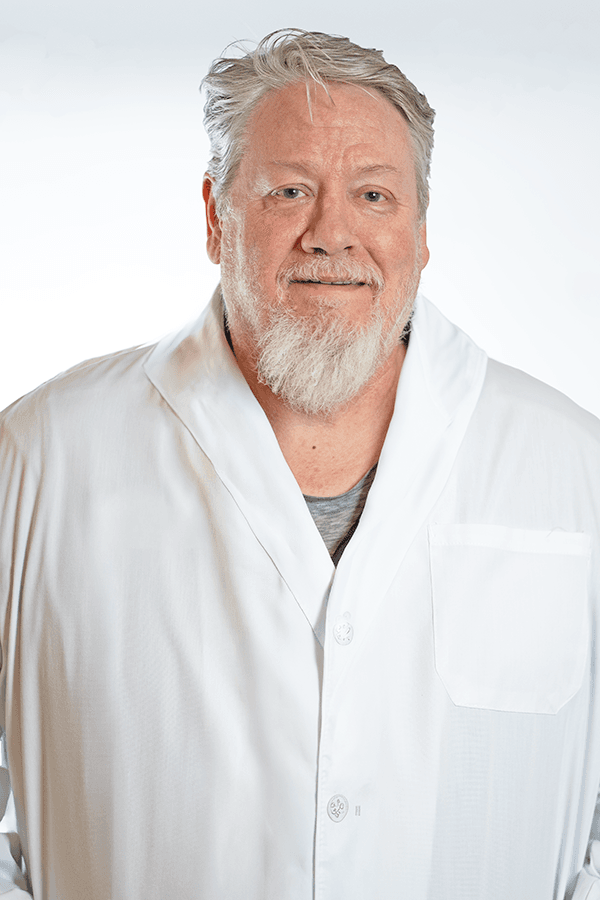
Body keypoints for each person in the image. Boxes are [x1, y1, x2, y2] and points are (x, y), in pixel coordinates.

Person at [0, 27, 599, 900]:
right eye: (290, 191)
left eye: (374, 195)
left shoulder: (574, 470)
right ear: (215, 217)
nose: (333, 235)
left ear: (422, 232)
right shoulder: (39, 458)